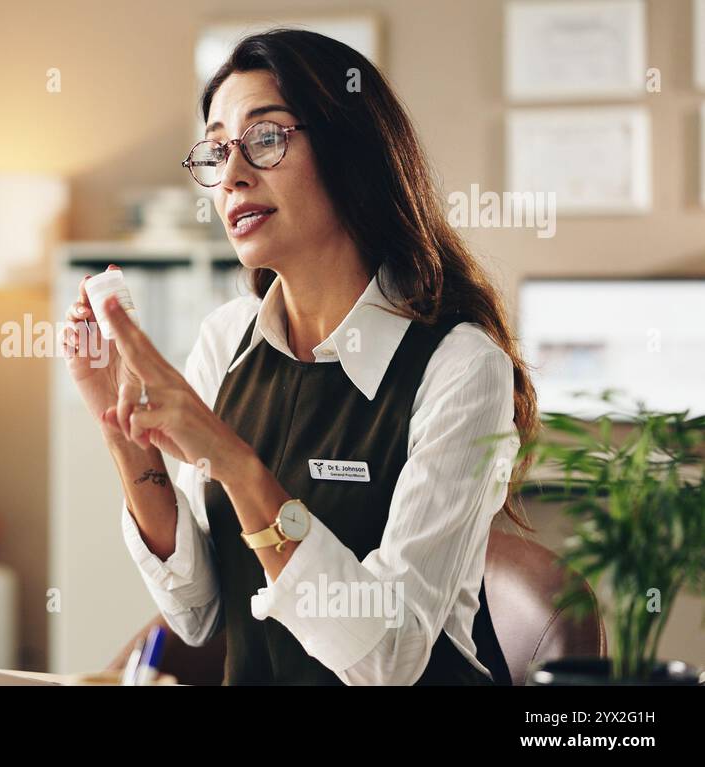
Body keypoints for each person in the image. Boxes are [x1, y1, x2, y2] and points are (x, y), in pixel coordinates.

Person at [63, 29, 537, 685]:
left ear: (351, 151)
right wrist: (125, 433)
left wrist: (233, 460)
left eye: (265, 138)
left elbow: (388, 658)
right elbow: (199, 614)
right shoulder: (226, 339)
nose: (231, 175)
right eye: (217, 150)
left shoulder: (460, 366)